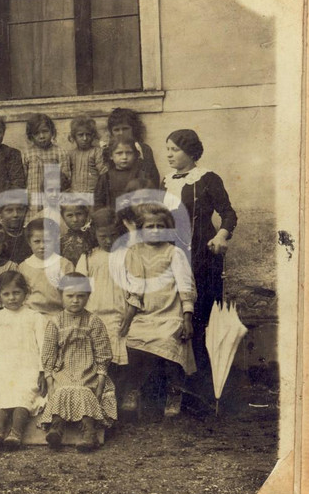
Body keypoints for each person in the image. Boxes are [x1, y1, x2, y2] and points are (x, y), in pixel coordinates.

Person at [163, 128, 238, 406]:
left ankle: (205, 389)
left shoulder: (208, 179)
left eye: (174, 149)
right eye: (167, 149)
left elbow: (228, 212)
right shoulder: (166, 181)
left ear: (191, 152)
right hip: (173, 257)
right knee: (176, 316)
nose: (169, 154)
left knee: (202, 319)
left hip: (204, 259)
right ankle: (176, 387)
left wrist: (221, 236)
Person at [119, 205, 197, 418]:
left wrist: (187, 318)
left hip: (170, 314)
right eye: (149, 226)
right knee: (133, 340)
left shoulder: (174, 253)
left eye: (160, 226)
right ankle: (133, 390)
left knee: (168, 341)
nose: (154, 230)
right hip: (146, 314)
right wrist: (128, 318)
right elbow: (135, 288)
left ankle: (174, 392)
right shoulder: (135, 253)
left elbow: (185, 286)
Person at [40, 273, 118, 452]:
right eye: (70, 296)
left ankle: (88, 432)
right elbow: (49, 353)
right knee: (61, 391)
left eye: (80, 296)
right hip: (64, 369)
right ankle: (56, 429)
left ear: (88, 297)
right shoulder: (55, 322)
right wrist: (50, 379)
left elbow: (102, 352)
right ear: (61, 296)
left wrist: (100, 380)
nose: (75, 300)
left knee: (84, 390)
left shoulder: (94, 321)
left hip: (88, 370)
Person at [0, 271, 47, 451]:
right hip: (3, 368)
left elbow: (44, 346)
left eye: (16, 293)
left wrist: (42, 371)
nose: (12, 298)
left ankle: (16, 432)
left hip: (27, 367)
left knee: (23, 393)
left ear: (25, 293)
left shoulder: (35, 318)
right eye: (6, 294)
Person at [75, 208, 130, 394]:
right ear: (94, 234)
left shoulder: (127, 255)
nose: (108, 241)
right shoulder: (89, 257)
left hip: (120, 313)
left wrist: (129, 314)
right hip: (95, 313)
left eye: (113, 235)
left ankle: (116, 396)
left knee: (117, 355)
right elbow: (80, 288)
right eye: (103, 236)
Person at [19, 217, 73, 319]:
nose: (42, 246)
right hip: (30, 315)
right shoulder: (23, 266)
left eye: (47, 241)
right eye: (37, 241)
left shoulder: (64, 264)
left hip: (58, 314)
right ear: (29, 242)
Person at [23, 113, 71, 217]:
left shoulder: (60, 153)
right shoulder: (27, 154)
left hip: (53, 197)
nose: (41, 136)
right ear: (31, 136)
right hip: (33, 197)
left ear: (52, 132)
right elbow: (24, 177)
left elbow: (66, 180)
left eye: (45, 131)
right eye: (36, 133)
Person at [93, 135, 154, 213]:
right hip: (113, 218)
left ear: (135, 154)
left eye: (128, 153)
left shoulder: (141, 175)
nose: (124, 157)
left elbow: (149, 200)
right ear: (111, 156)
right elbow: (98, 202)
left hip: (136, 216)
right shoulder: (105, 177)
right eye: (119, 153)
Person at [103, 108, 160, 186]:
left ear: (133, 129)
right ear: (111, 132)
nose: (121, 133)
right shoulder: (108, 150)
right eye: (116, 130)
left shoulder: (143, 148)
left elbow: (153, 177)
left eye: (125, 129)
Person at [67, 115, 107, 194]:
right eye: (80, 135)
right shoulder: (70, 154)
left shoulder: (97, 152)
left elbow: (103, 172)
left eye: (88, 134)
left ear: (93, 136)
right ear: (74, 136)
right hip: (75, 194)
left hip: (92, 193)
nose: (85, 138)